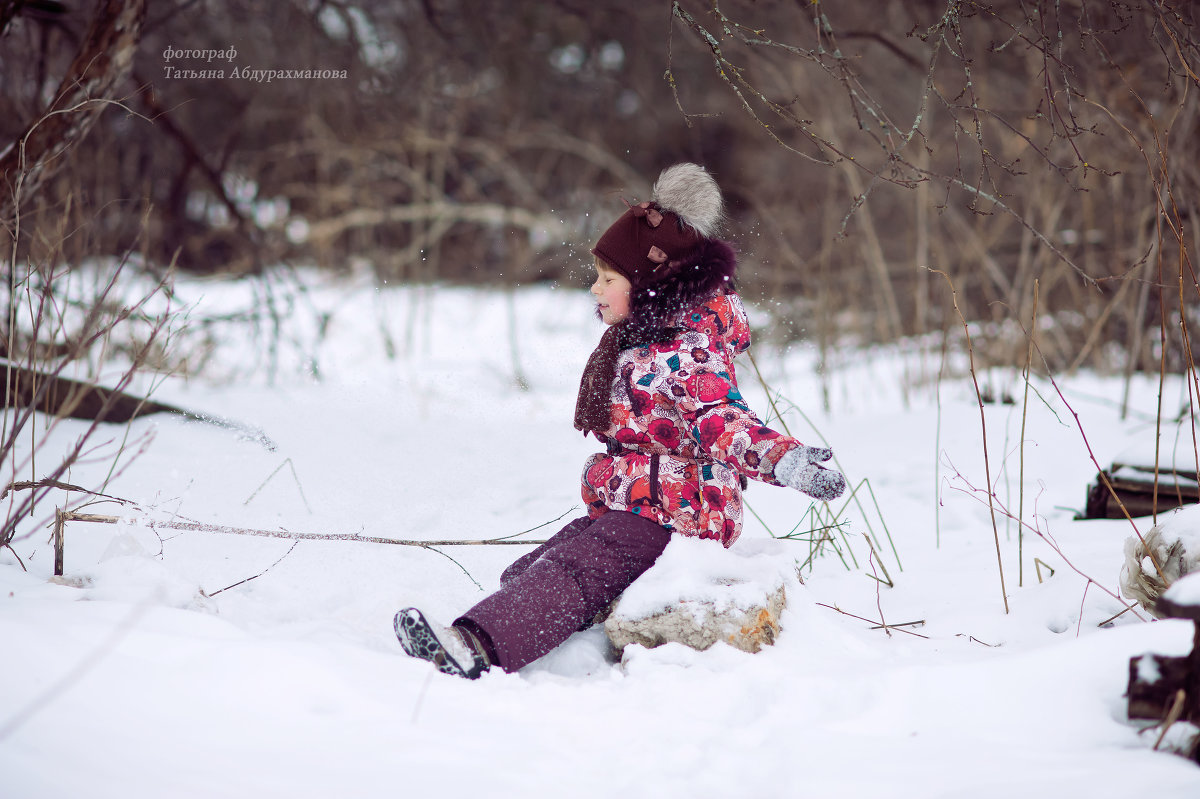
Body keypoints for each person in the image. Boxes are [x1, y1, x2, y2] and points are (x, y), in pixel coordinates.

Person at [394, 163, 845, 679]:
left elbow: (722, 420)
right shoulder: (639, 339)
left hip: (679, 512)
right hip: (636, 501)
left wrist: (783, 459)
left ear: (652, 285)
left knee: (569, 576)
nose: (595, 289)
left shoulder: (687, 350)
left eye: (608, 278)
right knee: (530, 571)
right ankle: (572, 631)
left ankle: (472, 646)